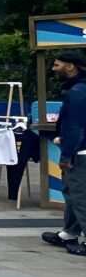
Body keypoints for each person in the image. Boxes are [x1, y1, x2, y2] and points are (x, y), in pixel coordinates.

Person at [43, 49, 86, 256]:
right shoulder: (79, 88)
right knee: (71, 193)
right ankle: (69, 233)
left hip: (81, 153)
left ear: (71, 66)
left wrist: (66, 155)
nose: (54, 68)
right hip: (80, 149)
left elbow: (75, 127)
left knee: (80, 196)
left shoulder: (78, 91)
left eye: (57, 65)